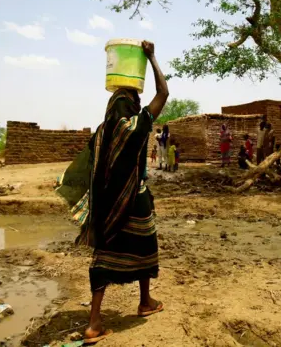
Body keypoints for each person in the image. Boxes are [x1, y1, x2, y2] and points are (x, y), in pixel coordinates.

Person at [61, 40, 168, 344]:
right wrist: (152, 58)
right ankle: (145, 302)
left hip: (110, 204)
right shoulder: (139, 123)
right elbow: (164, 93)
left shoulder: (104, 130)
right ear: (131, 105)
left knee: (104, 257)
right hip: (136, 198)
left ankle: (94, 322)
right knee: (146, 247)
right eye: (134, 98)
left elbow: (93, 169)